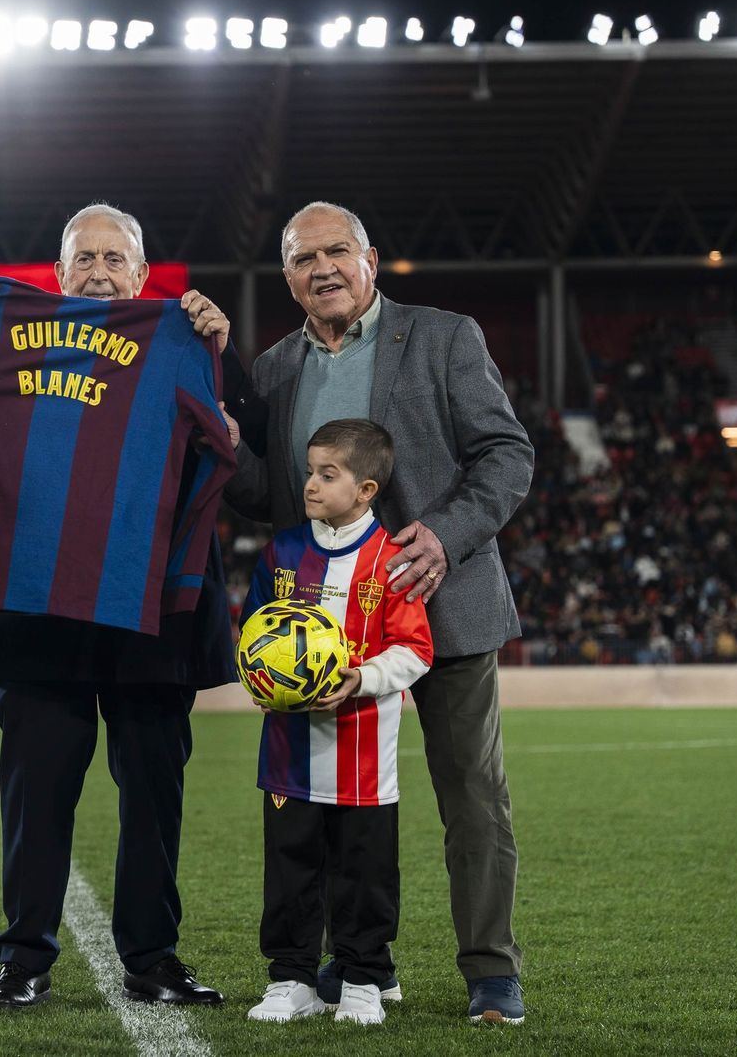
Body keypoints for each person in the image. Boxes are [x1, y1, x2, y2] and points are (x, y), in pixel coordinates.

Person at [225, 201, 535, 1025]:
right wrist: (221, 453)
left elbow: (506, 454)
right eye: (302, 259)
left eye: (337, 251)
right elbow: (271, 498)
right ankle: (357, 962)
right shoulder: (273, 370)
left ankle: (491, 972)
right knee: (332, 805)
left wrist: (445, 532)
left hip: (445, 604)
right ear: (287, 275)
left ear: (370, 257)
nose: (322, 269)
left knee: (471, 794)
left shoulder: (443, 336)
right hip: (333, 632)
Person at [0, 203, 238, 1009]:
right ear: (58, 272)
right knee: (34, 795)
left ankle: (151, 958)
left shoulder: (181, 335)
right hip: (39, 604)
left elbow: (230, 443)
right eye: (86, 258)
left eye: (117, 258)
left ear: (144, 276)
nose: (101, 271)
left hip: (149, 607)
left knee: (153, 794)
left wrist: (218, 349)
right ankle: (24, 959)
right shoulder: (6, 332)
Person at [239, 419, 432, 1027]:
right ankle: (291, 977)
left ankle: (363, 976)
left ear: (367, 489)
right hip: (289, 753)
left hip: (364, 759)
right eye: (310, 472)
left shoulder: (392, 561)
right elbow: (252, 635)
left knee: (363, 873)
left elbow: (415, 651)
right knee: (291, 868)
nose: (312, 485)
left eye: (329, 474)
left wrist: (362, 679)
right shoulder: (284, 553)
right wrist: (260, 682)